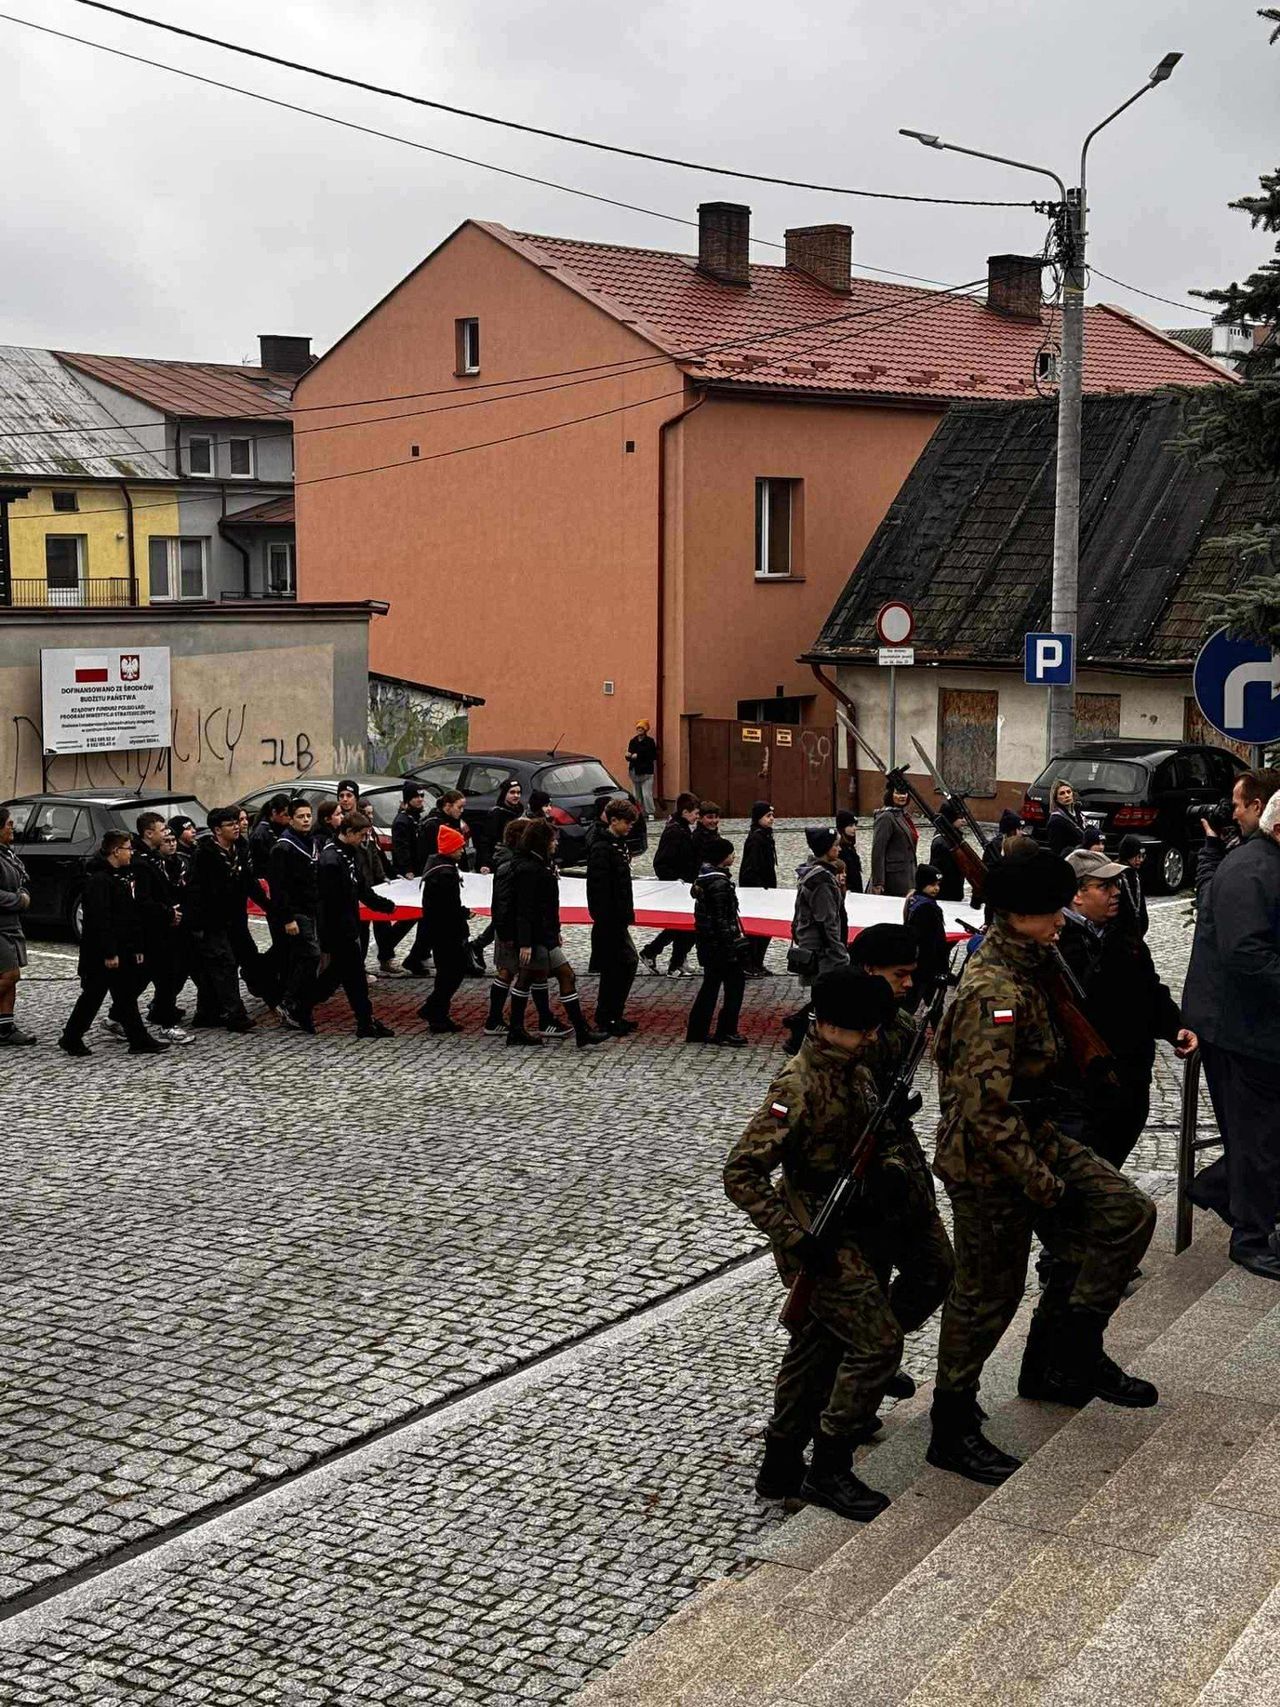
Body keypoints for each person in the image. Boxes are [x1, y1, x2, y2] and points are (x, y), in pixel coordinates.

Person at [926, 848, 1158, 1488]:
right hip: (988, 1160)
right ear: (1017, 915)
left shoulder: (1033, 965)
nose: (1061, 919)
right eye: (1050, 910)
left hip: (1036, 1133)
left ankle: (1069, 1350)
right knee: (985, 1296)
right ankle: (951, 1426)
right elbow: (981, 1112)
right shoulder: (992, 989)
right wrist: (1044, 1186)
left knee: (1127, 1212)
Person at [723, 967, 900, 1521]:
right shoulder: (795, 1086)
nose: (870, 1038)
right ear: (825, 1026)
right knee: (877, 1343)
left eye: (872, 1029)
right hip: (816, 1234)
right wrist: (795, 1237)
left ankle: (779, 1466)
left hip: (853, 1225)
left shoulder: (855, 1067)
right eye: (860, 1030)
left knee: (815, 1348)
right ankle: (828, 1468)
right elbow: (741, 1173)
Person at [1182, 785, 1280, 1281]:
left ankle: (1220, 1190)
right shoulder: (1251, 869)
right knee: (1259, 1135)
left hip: (1254, 1027)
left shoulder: (1264, 862)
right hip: (1239, 1029)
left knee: (1263, 1133)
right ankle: (1250, 1237)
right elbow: (1248, 956)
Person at [1057, 847, 1193, 1169]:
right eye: (1104, 886)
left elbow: (1150, 989)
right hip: (1084, 1092)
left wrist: (1176, 1028)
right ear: (1077, 894)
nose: (1116, 892)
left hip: (1131, 1084)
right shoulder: (1057, 944)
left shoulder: (1123, 935)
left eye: (1116, 884)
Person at [59, 831, 169, 1057]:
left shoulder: (120, 876)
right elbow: (101, 921)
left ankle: (137, 1039)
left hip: (122, 948)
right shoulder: (99, 880)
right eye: (129, 848)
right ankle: (72, 1037)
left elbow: (130, 915)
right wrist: (110, 952)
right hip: (103, 952)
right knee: (94, 996)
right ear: (116, 851)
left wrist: (136, 947)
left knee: (124, 995)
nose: (132, 853)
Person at [508, 817, 609, 1048]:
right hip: (535, 938)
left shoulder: (536, 865)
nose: (556, 844)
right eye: (553, 839)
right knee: (556, 975)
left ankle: (518, 1029)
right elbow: (525, 909)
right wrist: (525, 942)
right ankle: (579, 1030)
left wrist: (554, 932)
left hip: (543, 935)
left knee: (537, 978)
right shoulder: (529, 869)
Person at [314, 811, 396, 1038]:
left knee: (339, 976)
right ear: (348, 833)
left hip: (349, 925)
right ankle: (364, 1021)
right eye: (361, 835)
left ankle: (301, 1004)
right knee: (354, 977)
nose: (363, 840)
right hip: (338, 928)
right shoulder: (330, 860)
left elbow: (360, 888)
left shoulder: (350, 853)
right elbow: (330, 901)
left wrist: (384, 905)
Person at [186, 807, 260, 1033]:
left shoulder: (240, 849)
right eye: (230, 824)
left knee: (224, 965)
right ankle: (235, 1015)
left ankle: (205, 1012)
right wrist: (197, 923)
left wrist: (272, 907)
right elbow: (196, 891)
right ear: (217, 830)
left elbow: (249, 883)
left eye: (236, 822)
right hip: (212, 921)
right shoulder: (204, 855)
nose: (237, 827)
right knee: (224, 964)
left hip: (235, 919)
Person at [128, 810, 191, 1043]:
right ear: (148, 833)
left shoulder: (153, 857)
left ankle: (117, 1016)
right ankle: (167, 1024)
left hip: (162, 925)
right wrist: (167, 912)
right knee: (164, 976)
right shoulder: (142, 862)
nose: (165, 833)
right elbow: (143, 900)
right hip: (152, 930)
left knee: (150, 976)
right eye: (161, 829)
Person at [687, 834, 749, 1047]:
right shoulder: (719, 883)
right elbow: (722, 920)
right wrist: (732, 948)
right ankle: (726, 1030)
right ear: (723, 858)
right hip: (722, 947)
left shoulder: (704, 879)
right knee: (735, 986)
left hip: (708, 945)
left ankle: (697, 1029)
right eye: (731, 853)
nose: (734, 856)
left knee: (710, 986)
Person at [587, 798, 640, 1035]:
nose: (630, 826)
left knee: (622, 964)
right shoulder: (602, 849)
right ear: (614, 820)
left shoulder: (619, 845)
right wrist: (607, 918)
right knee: (619, 965)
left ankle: (612, 1014)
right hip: (609, 920)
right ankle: (607, 1016)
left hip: (617, 917)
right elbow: (598, 888)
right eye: (627, 822)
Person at [268, 797, 322, 1033]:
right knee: (311, 954)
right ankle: (289, 1001)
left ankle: (296, 1001)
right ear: (290, 818)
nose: (306, 820)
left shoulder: (310, 842)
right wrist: (287, 918)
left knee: (302, 957)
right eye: (300, 816)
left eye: (308, 815)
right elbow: (279, 888)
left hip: (311, 908)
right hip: (296, 911)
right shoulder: (284, 847)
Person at [414, 825, 473, 1033]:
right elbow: (448, 908)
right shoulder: (446, 874)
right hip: (447, 932)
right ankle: (434, 1009)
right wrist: (463, 914)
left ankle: (438, 1014)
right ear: (449, 848)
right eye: (459, 847)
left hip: (437, 930)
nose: (462, 851)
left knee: (446, 973)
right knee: (452, 973)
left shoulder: (436, 867)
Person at [640, 791, 701, 977]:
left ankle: (669, 956)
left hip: (685, 885)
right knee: (682, 925)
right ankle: (656, 953)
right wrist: (675, 881)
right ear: (685, 812)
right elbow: (661, 862)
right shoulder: (675, 832)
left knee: (684, 925)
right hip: (678, 887)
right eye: (695, 813)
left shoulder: (681, 829)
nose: (697, 816)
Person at [791, 828, 849, 992]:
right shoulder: (821, 880)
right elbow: (826, 920)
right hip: (822, 950)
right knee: (825, 994)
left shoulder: (814, 872)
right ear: (826, 848)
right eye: (836, 845)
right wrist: (839, 952)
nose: (840, 849)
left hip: (816, 944)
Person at [0, 805, 35, 1046]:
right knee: (9, 974)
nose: (13, 828)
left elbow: (20, 880)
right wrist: (18, 900)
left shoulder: (7, 853)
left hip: (11, 923)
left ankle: (5, 1027)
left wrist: (22, 892)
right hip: (0, 924)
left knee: (12, 975)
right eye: (9, 825)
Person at [739, 801, 777, 977]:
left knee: (766, 930)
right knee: (755, 932)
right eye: (768, 816)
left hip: (766, 890)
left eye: (772, 816)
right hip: (756, 891)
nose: (771, 819)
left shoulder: (765, 836)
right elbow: (752, 867)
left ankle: (757, 961)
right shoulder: (756, 838)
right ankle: (749, 962)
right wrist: (759, 889)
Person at [903, 865, 948, 1012]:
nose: (936, 889)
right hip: (928, 965)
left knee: (912, 1000)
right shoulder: (928, 908)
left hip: (918, 962)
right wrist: (941, 966)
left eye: (938, 885)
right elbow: (934, 940)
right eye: (932, 885)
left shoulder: (914, 901)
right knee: (933, 1004)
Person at [871, 780, 917, 897]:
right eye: (898, 793)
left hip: (907, 875)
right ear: (890, 794)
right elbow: (878, 851)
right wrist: (878, 882)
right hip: (893, 879)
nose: (902, 796)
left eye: (905, 793)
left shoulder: (902, 815)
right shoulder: (886, 817)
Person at [474, 778, 523, 873]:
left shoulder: (520, 812)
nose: (516, 795)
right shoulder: (496, 814)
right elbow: (487, 841)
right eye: (512, 792)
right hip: (499, 860)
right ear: (505, 794)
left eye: (518, 792)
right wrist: (485, 863)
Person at [928, 800, 967, 902]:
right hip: (946, 895)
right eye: (960, 818)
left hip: (953, 892)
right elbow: (939, 871)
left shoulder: (950, 837)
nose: (963, 821)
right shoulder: (942, 843)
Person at [249, 795, 291, 880]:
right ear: (274, 812)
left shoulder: (285, 827)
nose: (289, 818)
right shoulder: (260, 835)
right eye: (286, 815)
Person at [1115, 835, 1149, 936]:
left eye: (1142, 856)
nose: (1140, 860)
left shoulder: (1137, 876)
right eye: (1137, 857)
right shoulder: (1118, 877)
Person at [1045, 780, 1087, 857]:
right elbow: (1056, 849)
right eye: (1062, 793)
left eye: (1068, 792)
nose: (1067, 795)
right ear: (1056, 798)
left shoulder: (1077, 812)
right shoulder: (1056, 820)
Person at [625, 720, 658, 817]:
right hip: (634, 771)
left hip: (646, 772)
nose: (639, 730)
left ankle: (650, 812)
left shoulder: (650, 742)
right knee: (636, 795)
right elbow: (629, 755)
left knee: (646, 794)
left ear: (645, 730)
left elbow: (653, 756)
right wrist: (628, 755)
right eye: (638, 728)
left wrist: (638, 755)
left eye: (641, 728)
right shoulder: (633, 741)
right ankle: (638, 813)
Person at [835, 809, 864, 897]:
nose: (854, 828)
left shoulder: (850, 846)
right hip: (848, 893)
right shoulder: (839, 849)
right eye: (851, 825)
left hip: (856, 892)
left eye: (855, 825)